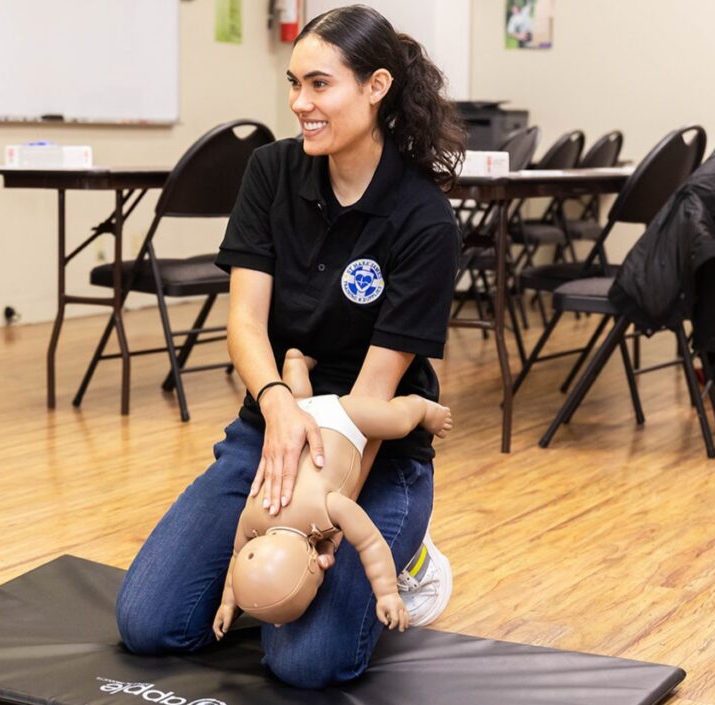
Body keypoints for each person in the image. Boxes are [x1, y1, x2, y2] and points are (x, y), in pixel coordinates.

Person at [116, 4, 464, 688]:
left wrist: (317, 524)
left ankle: (414, 560)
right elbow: (244, 323)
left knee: (306, 662)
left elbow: (372, 400)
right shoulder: (271, 171)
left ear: (377, 87)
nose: (300, 102)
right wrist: (276, 406)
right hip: (273, 430)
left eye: (319, 85)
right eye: (294, 83)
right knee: (147, 623)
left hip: (371, 447)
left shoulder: (424, 218)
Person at [212, 349, 452, 634]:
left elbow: (370, 543)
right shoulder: (253, 518)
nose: (276, 626)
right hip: (300, 412)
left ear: (314, 564)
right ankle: (295, 362)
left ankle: (421, 407)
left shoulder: (326, 508)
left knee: (398, 421)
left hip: (345, 417)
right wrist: (229, 603)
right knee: (300, 399)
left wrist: (387, 593)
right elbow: (239, 557)